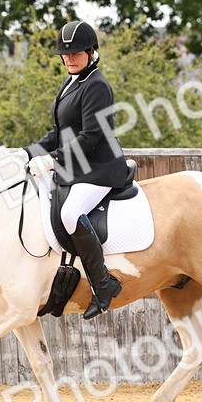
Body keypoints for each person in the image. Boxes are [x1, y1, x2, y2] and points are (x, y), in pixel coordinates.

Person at [18, 21, 132, 319]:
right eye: (65, 54)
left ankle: (103, 284)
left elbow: (91, 137)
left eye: (76, 53)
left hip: (101, 168)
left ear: (91, 52)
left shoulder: (96, 85)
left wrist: (54, 160)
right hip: (80, 167)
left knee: (70, 214)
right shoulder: (73, 82)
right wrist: (25, 153)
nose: (69, 58)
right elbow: (58, 132)